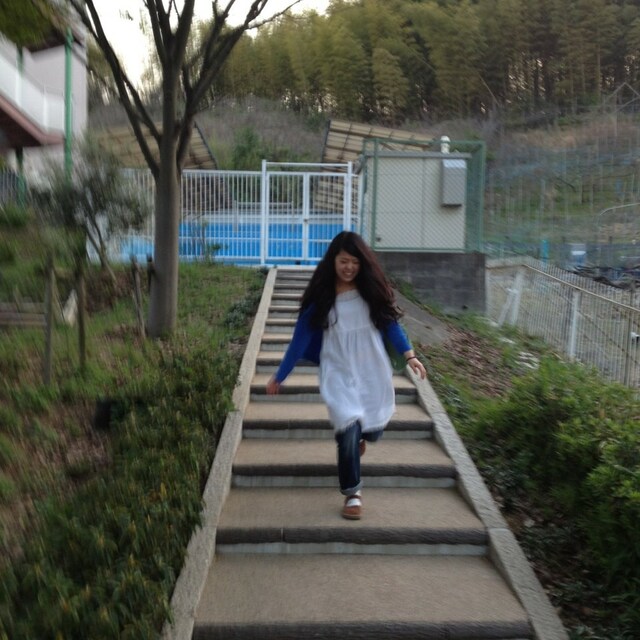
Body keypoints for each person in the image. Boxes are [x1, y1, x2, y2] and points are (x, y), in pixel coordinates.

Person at [266, 231, 426, 520]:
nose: (349, 267)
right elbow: (299, 340)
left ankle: (360, 438)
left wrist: (410, 356)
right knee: (347, 427)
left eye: (354, 261)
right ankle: (353, 494)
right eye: (343, 261)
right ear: (333, 261)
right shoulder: (322, 298)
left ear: (362, 263)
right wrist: (280, 375)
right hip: (337, 372)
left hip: (371, 369)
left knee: (371, 428)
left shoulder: (371, 293)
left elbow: (391, 325)